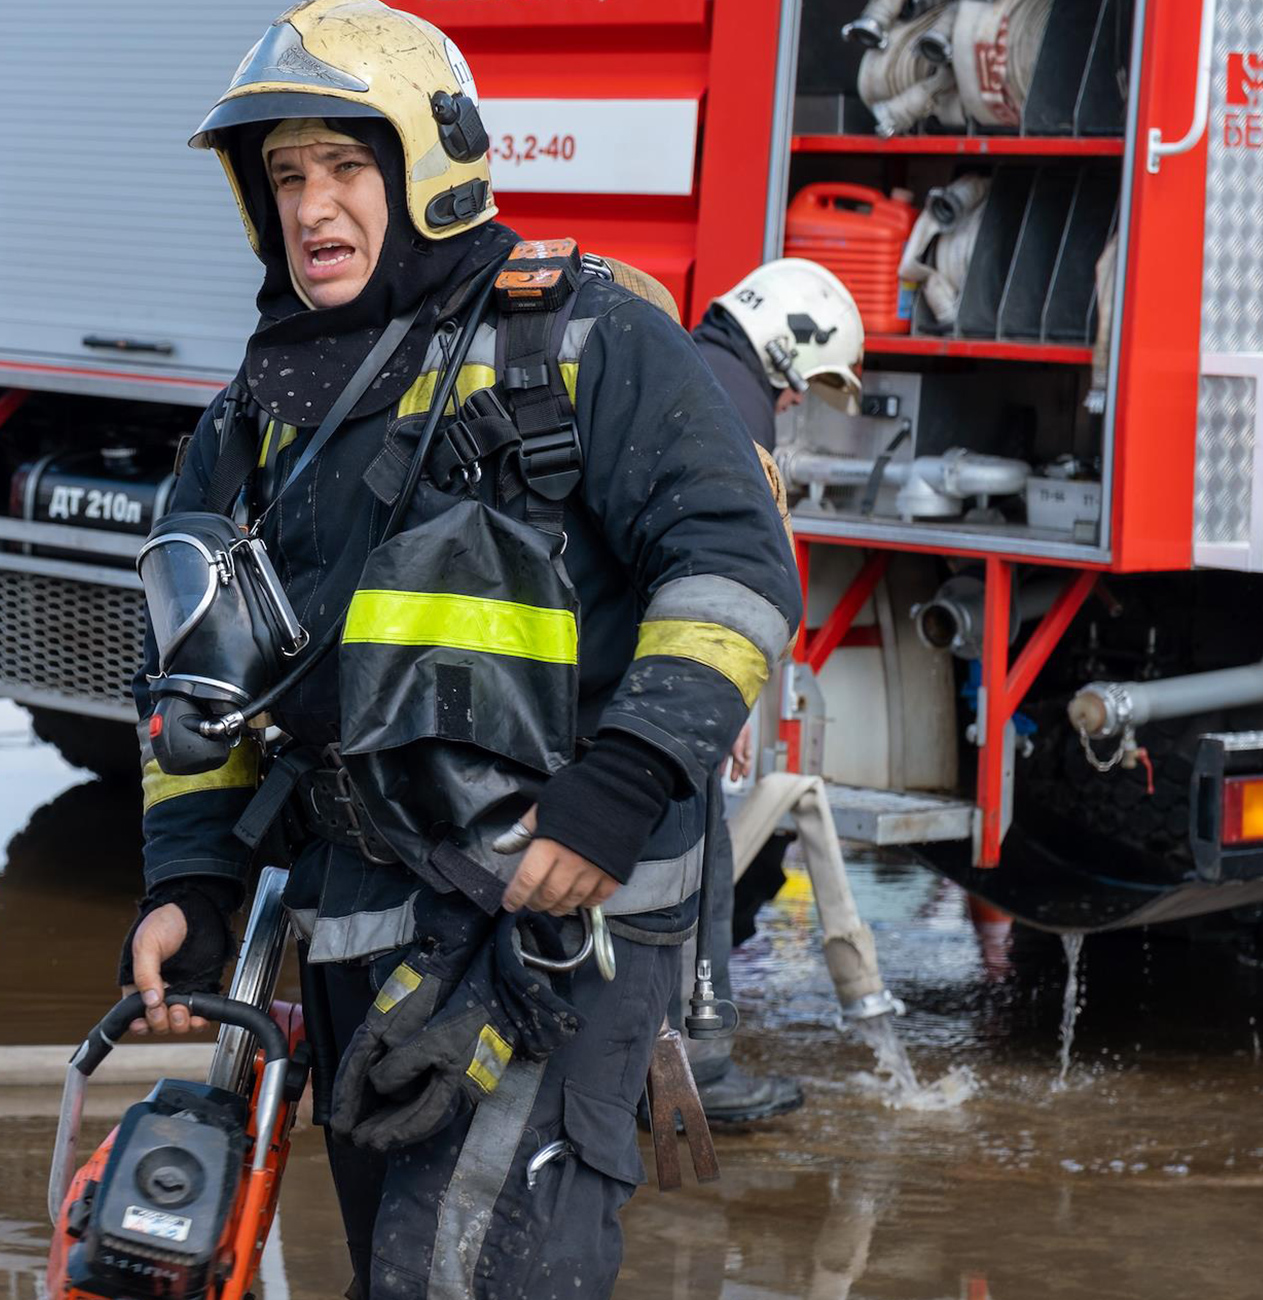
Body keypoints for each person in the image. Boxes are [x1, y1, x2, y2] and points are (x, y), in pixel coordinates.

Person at [119, 3, 801, 1297]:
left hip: (560, 919)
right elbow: (191, 670)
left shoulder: (583, 340)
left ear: (426, 164)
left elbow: (734, 568)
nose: (311, 206)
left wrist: (620, 787)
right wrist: (191, 883)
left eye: (344, 165)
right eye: (285, 176)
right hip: (358, 924)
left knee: (463, 1276)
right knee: (403, 1267)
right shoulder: (262, 408)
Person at [682, 258, 867, 1123]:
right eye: (802, 383)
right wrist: (715, 697)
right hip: (667, 670)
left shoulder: (693, 367)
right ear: (783, 345)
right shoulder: (734, 408)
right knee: (700, 863)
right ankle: (698, 1071)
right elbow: (715, 563)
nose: (795, 402)